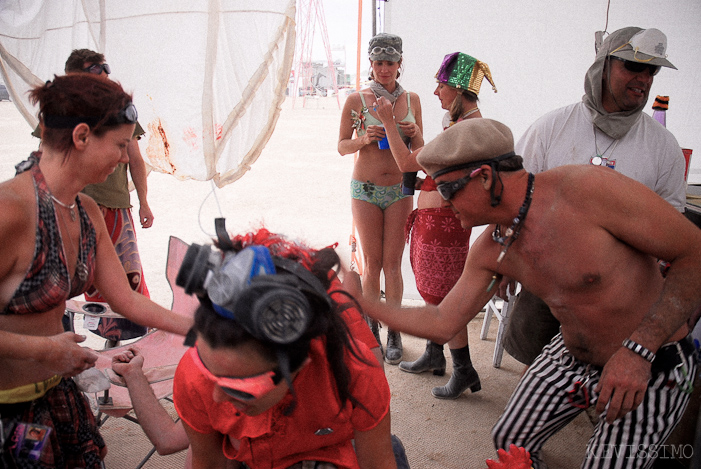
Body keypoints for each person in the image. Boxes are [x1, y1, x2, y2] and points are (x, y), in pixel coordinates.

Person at [351, 118, 701, 468]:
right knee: (511, 442)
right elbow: (443, 321)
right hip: (572, 354)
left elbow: (695, 252)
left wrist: (639, 351)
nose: (442, 204)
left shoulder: (586, 190)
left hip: (655, 357)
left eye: (445, 190)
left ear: (484, 177)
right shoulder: (495, 247)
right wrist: (362, 303)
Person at [0, 74, 192, 468]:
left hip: (56, 394)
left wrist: (197, 330)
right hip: (8, 413)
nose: (126, 158)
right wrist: (44, 349)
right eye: (121, 145)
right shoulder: (11, 211)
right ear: (82, 136)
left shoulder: (84, 211)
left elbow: (125, 300)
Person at [502, 27, 688, 367]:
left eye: (652, 70)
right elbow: (514, 198)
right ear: (602, 65)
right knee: (537, 370)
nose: (644, 78)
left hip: (621, 296)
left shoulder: (663, 147)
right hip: (548, 283)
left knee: (609, 378)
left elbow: (673, 223)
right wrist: (506, 258)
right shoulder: (551, 128)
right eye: (633, 66)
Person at [172, 229, 408, 468]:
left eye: (241, 387)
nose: (216, 395)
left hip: (336, 454)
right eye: (208, 373)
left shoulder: (355, 371)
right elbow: (208, 463)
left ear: (298, 366)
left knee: (393, 449)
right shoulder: (192, 378)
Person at [375, 52, 497, 399]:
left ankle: (463, 369)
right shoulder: (460, 128)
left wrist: (388, 122)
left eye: (441, 87)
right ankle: (434, 354)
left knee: (444, 298)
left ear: (459, 91)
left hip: (443, 227)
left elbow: (406, 161)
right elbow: (439, 173)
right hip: (436, 223)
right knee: (433, 292)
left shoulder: (466, 130)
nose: (436, 94)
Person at [338, 33, 424, 365]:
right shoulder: (356, 100)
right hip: (366, 189)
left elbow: (421, 151)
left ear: (399, 64)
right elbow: (342, 146)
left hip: (401, 189)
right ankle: (372, 330)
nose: (384, 69)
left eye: (390, 63)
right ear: (371, 65)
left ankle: (395, 332)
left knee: (393, 263)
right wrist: (362, 139)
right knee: (372, 264)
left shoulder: (413, 99)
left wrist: (415, 135)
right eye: (378, 63)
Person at [67, 49, 154, 344]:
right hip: (71, 205)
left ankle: (114, 336)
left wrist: (143, 201)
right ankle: (65, 329)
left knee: (125, 277)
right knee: (71, 274)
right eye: (96, 68)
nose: (104, 72)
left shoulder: (120, 108)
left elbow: (136, 158)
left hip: (115, 205)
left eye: (106, 67)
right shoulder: (61, 109)